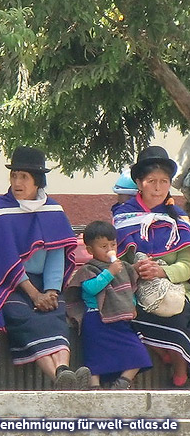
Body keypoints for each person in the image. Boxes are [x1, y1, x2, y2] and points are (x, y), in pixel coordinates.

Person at [0, 146, 90, 390]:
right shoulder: (2, 210)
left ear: (37, 181)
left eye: (24, 177)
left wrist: (51, 290)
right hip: (10, 284)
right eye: (14, 175)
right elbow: (5, 258)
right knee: (26, 317)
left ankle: (64, 370)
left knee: (55, 315)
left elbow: (56, 252)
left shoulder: (53, 210)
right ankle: (59, 378)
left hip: (44, 284)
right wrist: (33, 294)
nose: (17, 182)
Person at [113, 145, 190, 388]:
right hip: (134, 285)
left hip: (175, 287)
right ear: (139, 182)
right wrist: (136, 270)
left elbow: (188, 264)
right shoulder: (123, 215)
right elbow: (114, 257)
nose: (158, 188)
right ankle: (163, 354)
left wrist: (163, 272)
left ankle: (180, 371)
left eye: (164, 181)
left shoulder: (178, 218)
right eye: (151, 181)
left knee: (178, 315)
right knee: (126, 316)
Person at [66, 221, 152, 389]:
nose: (110, 249)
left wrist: (132, 305)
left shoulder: (123, 267)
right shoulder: (88, 269)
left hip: (120, 318)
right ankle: (94, 386)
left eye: (112, 244)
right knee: (96, 356)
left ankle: (123, 382)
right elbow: (90, 289)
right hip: (96, 318)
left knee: (138, 352)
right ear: (90, 250)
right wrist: (109, 273)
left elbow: (128, 289)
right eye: (103, 246)